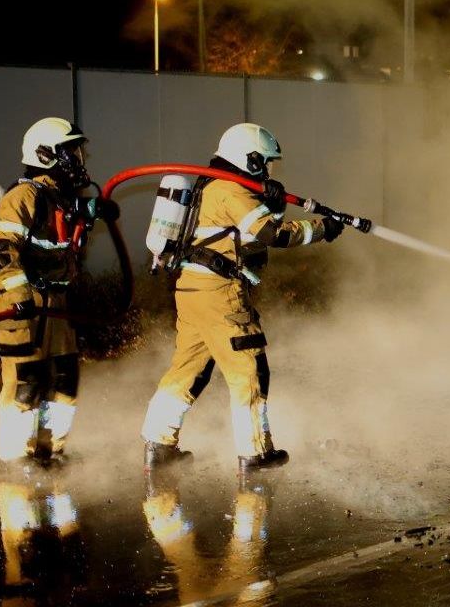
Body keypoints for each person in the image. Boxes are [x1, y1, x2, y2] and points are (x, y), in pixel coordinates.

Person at [141, 123, 343, 473]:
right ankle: (255, 453)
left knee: (188, 370)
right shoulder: (230, 191)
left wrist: (274, 204)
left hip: (192, 290)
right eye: (264, 163)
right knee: (249, 368)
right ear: (249, 160)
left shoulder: (214, 186)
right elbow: (271, 234)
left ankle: (158, 445)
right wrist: (321, 229)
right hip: (220, 295)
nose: (267, 170)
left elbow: (248, 232)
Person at [0, 117, 114, 467]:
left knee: (63, 377)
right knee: (26, 381)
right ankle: (16, 461)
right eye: (69, 152)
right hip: (21, 302)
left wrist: (94, 210)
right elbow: (4, 249)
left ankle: (50, 451)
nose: (77, 159)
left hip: (54, 303)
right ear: (46, 155)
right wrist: (19, 295)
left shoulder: (58, 196)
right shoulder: (23, 195)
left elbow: (64, 227)